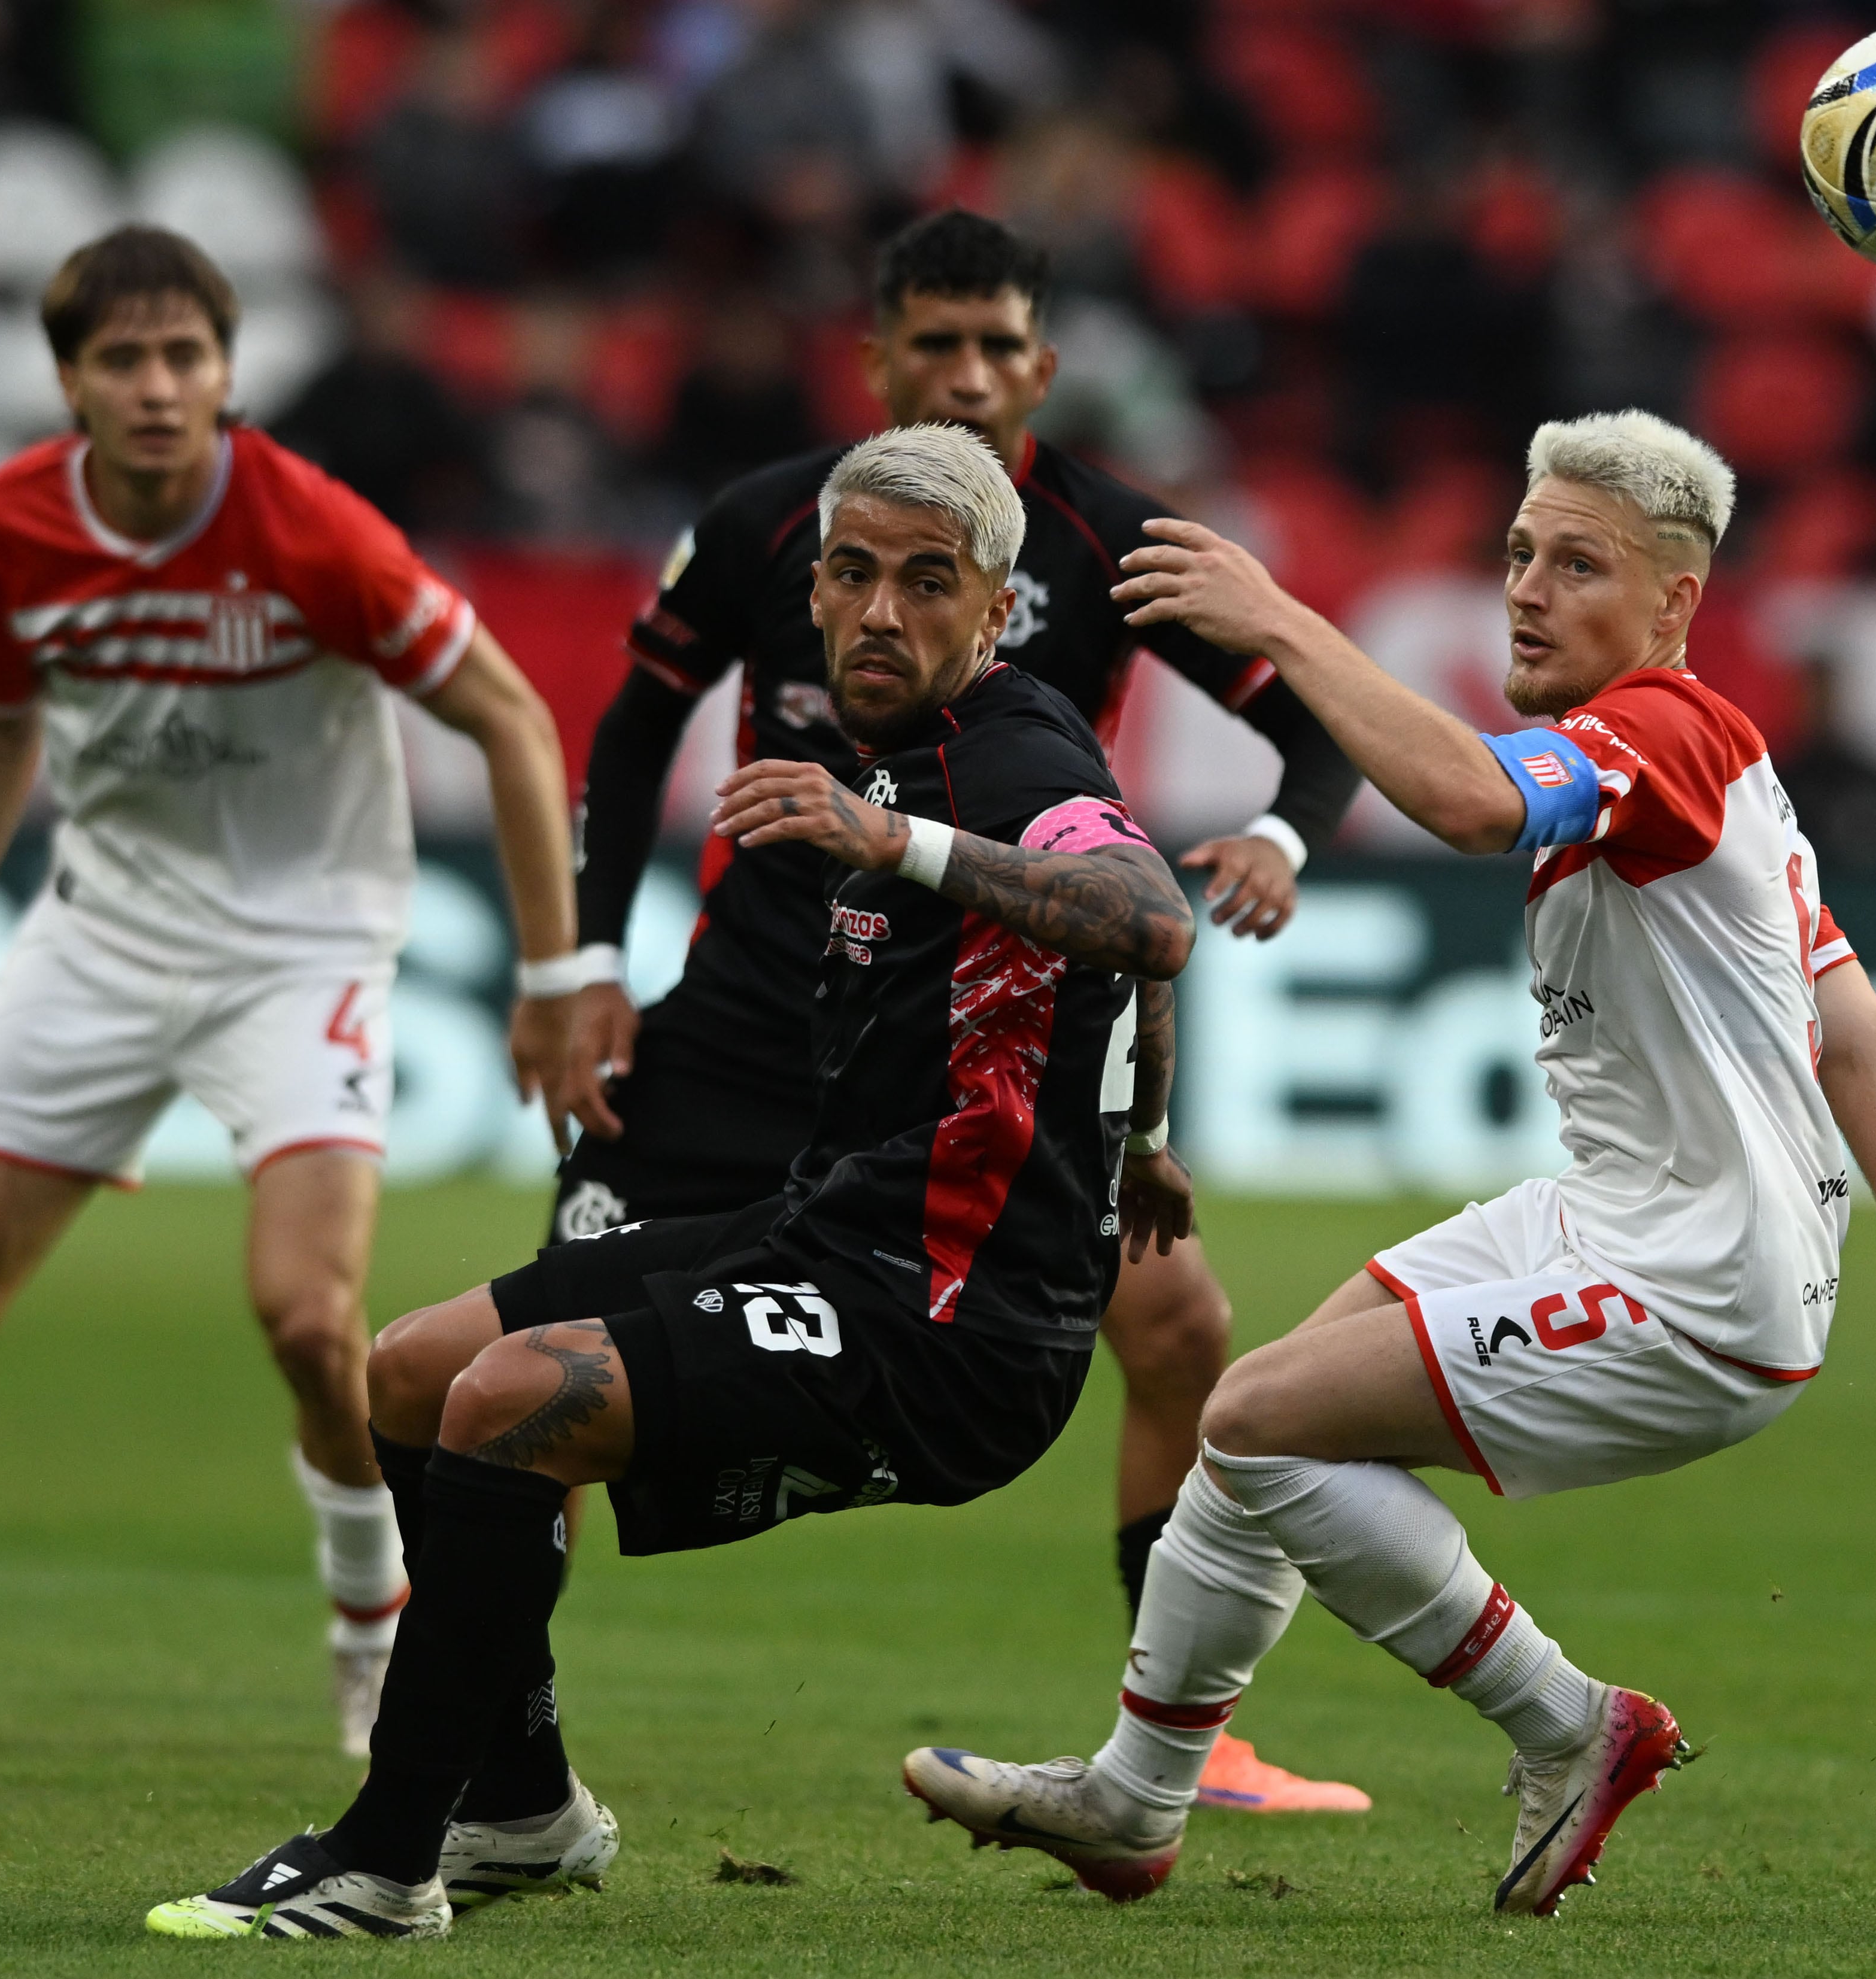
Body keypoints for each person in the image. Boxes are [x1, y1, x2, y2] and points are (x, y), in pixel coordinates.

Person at [901, 410, 1876, 1915]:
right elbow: (1869, 1043)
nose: (1524, 588)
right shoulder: (1726, 778)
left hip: (1698, 1273)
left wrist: (1284, 626)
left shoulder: (1666, 734)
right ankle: (1134, 1798)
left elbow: (1464, 802)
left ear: (1673, 605)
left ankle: (1569, 1724)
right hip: (1613, 1217)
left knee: (1251, 1420)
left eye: (1577, 565)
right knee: (1258, 1437)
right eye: (1516, 553)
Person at [147, 421, 1195, 1940]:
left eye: (926, 582)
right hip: (837, 1236)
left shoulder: (1004, 753)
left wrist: (889, 840)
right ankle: (522, 1808)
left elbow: (1147, 917)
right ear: (815, 594)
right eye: (852, 576)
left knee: (513, 1402)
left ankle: (384, 1860)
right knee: (411, 1372)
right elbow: (1125, 969)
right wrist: (1146, 1135)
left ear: (993, 610)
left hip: (948, 1329)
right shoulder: (905, 747)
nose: (881, 612)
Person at [554, 209, 1366, 1811]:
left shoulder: (1114, 539)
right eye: (936, 342)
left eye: (998, 344)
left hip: (964, 1034)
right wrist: (584, 961)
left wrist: (1281, 834)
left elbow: (1317, 732)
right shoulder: (769, 524)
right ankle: (497, 1721)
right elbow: (633, 733)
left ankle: (1184, 1745)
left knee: (1189, 1328)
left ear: (1043, 367)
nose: (968, 371)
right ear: (876, 361)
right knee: (544, 1335)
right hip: (745, 1012)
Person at [0, 227, 581, 1758]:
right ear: (69, 380)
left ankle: (370, 1640)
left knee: (304, 1316)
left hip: (302, 949)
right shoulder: (12, 520)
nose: (158, 388)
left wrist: (551, 976)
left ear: (227, 370)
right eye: (123, 361)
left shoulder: (313, 532)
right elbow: (0, 721)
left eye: (186, 357)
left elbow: (513, 722)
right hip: (103, 937)